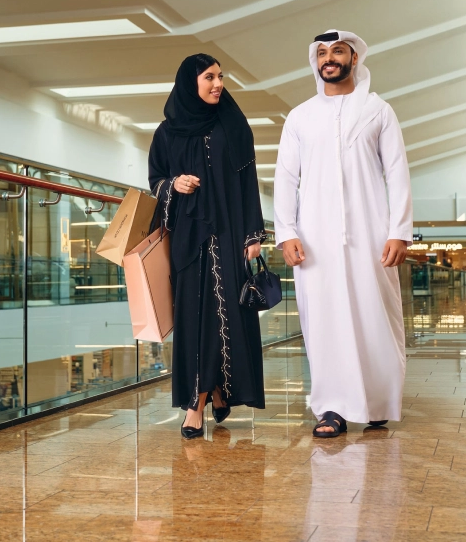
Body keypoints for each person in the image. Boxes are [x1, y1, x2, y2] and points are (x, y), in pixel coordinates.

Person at [274, 30, 413, 437]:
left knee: (376, 314)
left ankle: (377, 401)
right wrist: (286, 232)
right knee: (322, 318)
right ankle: (331, 408)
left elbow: (398, 172)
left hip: (371, 234)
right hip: (313, 238)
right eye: (321, 53)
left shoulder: (378, 111)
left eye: (337, 51)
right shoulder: (299, 116)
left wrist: (399, 231)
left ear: (355, 58)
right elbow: (285, 178)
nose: (328, 58)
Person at [149, 54, 266, 439]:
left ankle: (212, 394)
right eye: (209, 77)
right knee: (195, 318)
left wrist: (254, 235)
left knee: (228, 313)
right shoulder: (167, 132)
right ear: (189, 82)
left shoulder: (233, 125)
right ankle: (200, 398)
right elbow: (156, 181)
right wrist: (173, 186)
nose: (218, 84)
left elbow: (248, 182)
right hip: (189, 238)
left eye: (220, 76)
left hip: (231, 235)